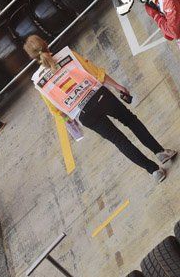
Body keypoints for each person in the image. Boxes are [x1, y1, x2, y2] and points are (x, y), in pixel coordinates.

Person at [23, 35, 176, 182]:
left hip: (83, 114)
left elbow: (56, 110)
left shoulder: (38, 82)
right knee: (130, 121)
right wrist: (117, 86)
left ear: (32, 57)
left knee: (119, 141)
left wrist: (71, 122)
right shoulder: (67, 55)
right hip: (100, 96)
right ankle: (160, 152)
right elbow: (95, 72)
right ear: (45, 43)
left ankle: (154, 171)